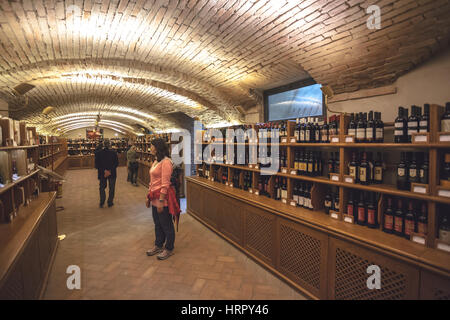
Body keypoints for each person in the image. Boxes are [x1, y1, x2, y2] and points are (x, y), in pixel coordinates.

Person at [146, 138, 180, 260]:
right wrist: (148, 196)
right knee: (157, 223)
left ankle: (169, 248)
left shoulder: (166, 162)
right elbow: (153, 181)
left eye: (152, 146)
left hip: (162, 199)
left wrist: (161, 201)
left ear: (157, 147)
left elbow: (165, 184)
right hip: (154, 197)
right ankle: (159, 245)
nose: (150, 148)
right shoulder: (156, 161)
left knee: (166, 224)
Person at [95, 139, 119, 208]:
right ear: (110, 144)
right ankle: (110, 202)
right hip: (112, 173)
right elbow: (116, 163)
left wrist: (104, 171)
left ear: (103, 144)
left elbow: (97, 165)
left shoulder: (98, 153)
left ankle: (102, 202)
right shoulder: (114, 152)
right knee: (112, 188)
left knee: (102, 188)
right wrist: (109, 171)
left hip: (102, 173)